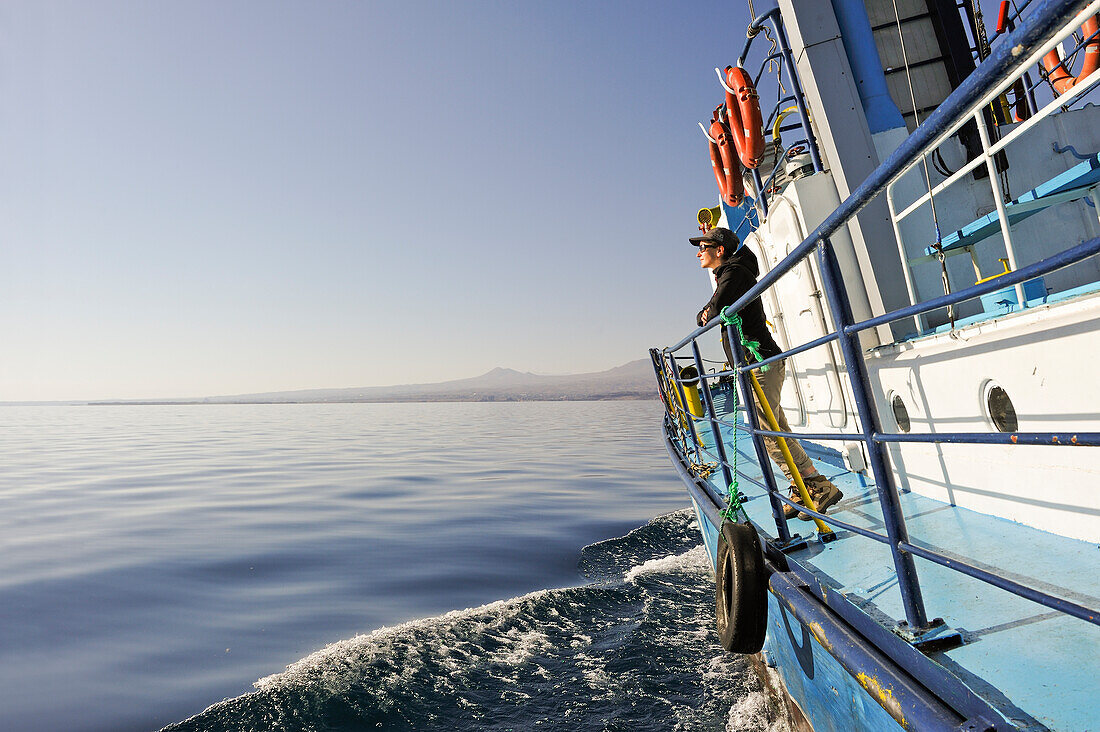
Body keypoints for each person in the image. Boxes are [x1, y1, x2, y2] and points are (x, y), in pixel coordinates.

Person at [689, 226, 842, 520]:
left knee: (769, 435)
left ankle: (818, 486)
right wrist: (707, 311)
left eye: (702, 247)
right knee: (777, 430)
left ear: (719, 250)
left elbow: (716, 308)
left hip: (760, 363)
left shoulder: (734, 274)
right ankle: (804, 487)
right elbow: (703, 316)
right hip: (758, 364)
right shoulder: (730, 274)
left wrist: (709, 310)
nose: (698, 253)